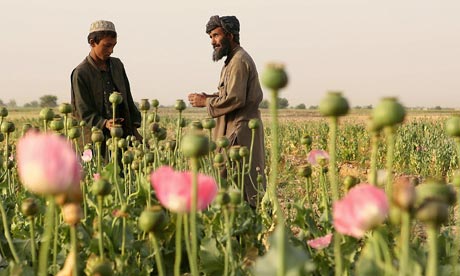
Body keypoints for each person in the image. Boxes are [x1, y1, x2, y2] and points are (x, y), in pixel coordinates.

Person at [188, 15, 266, 206]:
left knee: (243, 187)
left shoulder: (239, 61)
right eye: (210, 37)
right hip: (231, 131)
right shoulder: (231, 61)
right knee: (230, 184)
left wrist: (206, 102)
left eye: (215, 35)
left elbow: (235, 98)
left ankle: (245, 230)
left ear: (230, 35)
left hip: (240, 132)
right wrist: (211, 97)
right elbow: (229, 93)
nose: (213, 42)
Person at [71, 20, 142, 155]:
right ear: (92, 42)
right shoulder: (81, 73)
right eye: (106, 46)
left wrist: (134, 130)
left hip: (119, 138)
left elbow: (128, 99)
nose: (111, 50)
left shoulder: (117, 65)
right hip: (94, 142)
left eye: (114, 46)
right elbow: (82, 111)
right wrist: (105, 123)